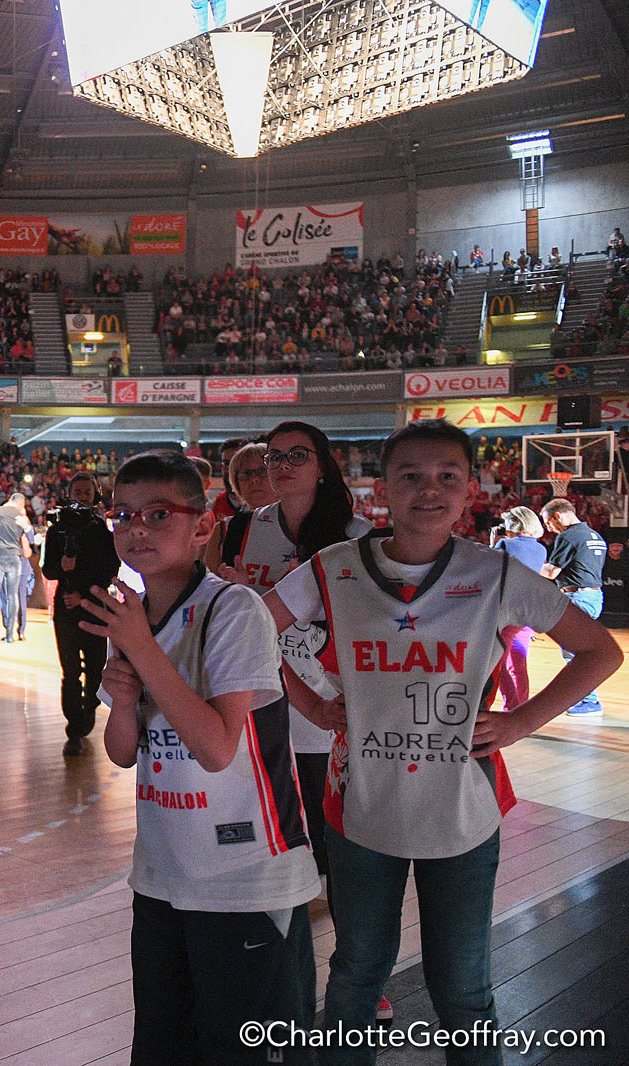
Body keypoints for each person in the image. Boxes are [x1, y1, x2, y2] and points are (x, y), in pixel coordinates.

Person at [264, 419, 621, 1065]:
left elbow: (600, 650)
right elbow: (251, 633)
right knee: (355, 975)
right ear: (381, 490)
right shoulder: (334, 568)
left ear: (469, 491)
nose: (429, 489)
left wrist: (520, 721)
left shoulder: (496, 574)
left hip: (462, 811)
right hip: (361, 806)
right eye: (410, 476)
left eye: (446, 476)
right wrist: (311, 703)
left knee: (462, 990)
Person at [85, 451, 319, 1065]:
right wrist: (124, 701)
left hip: (244, 876)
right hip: (162, 870)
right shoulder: (133, 617)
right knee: (161, 1045)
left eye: (158, 513)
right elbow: (122, 753)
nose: (136, 528)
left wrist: (141, 649)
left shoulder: (233, 609)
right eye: (123, 515)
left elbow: (216, 749)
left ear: (203, 526)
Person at [215, 423, 373, 965]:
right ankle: (278, 968)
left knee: (337, 843)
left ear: (322, 465)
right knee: (273, 836)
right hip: (259, 703)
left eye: (296, 455)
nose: (281, 466)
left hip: (329, 710)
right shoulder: (244, 527)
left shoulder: (358, 535)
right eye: (274, 457)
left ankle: (357, 971)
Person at [41, 472, 120, 756]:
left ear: (95, 495)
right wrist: (62, 566)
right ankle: (74, 728)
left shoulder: (102, 530)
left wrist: (83, 594)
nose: (83, 496)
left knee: (96, 669)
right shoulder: (57, 531)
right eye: (78, 492)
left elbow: (109, 570)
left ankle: (88, 710)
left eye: (87, 492)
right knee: (71, 670)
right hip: (66, 608)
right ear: (70, 494)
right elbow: (48, 570)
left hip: (95, 606)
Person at [540, 497, 609, 716]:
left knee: (575, 653)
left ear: (558, 516)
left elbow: (551, 572)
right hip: (594, 596)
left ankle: (589, 702)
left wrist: (523, 563)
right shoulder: (594, 536)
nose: (549, 529)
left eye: (548, 523)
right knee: (580, 650)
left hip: (577, 598)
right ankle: (587, 700)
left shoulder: (569, 536)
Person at [491, 506, 548, 710]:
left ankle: (512, 707)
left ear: (515, 523)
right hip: (530, 610)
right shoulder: (541, 549)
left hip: (509, 611)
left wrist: (493, 543)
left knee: (497, 664)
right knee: (519, 663)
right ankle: (521, 707)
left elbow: (489, 569)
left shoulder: (506, 544)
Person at [0, 493, 32, 643]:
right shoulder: (21, 516)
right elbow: (29, 540)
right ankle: (10, 635)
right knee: (12, 595)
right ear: (21, 504)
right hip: (15, 558)